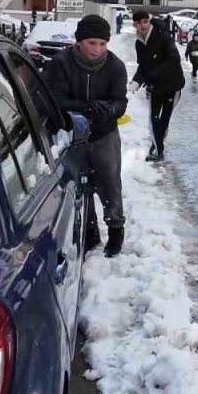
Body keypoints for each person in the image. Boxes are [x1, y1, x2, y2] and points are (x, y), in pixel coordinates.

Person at [41, 14, 130, 257]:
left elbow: (121, 101)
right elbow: (53, 99)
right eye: (92, 43)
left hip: (104, 133)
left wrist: (110, 109)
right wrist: (84, 107)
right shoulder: (60, 63)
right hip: (71, 134)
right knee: (79, 182)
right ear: (79, 41)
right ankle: (90, 230)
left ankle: (115, 229)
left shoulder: (115, 66)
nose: (97, 49)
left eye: (102, 44)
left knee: (109, 181)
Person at [131, 10, 186, 162]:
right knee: (153, 118)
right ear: (134, 25)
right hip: (155, 87)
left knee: (164, 119)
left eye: (144, 21)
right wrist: (136, 81)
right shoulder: (139, 43)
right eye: (138, 23)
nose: (142, 25)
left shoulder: (163, 36)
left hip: (172, 85)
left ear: (149, 21)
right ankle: (158, 149)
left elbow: (174, 58)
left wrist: (152, 74)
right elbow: (142, 66)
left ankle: (157, 145)